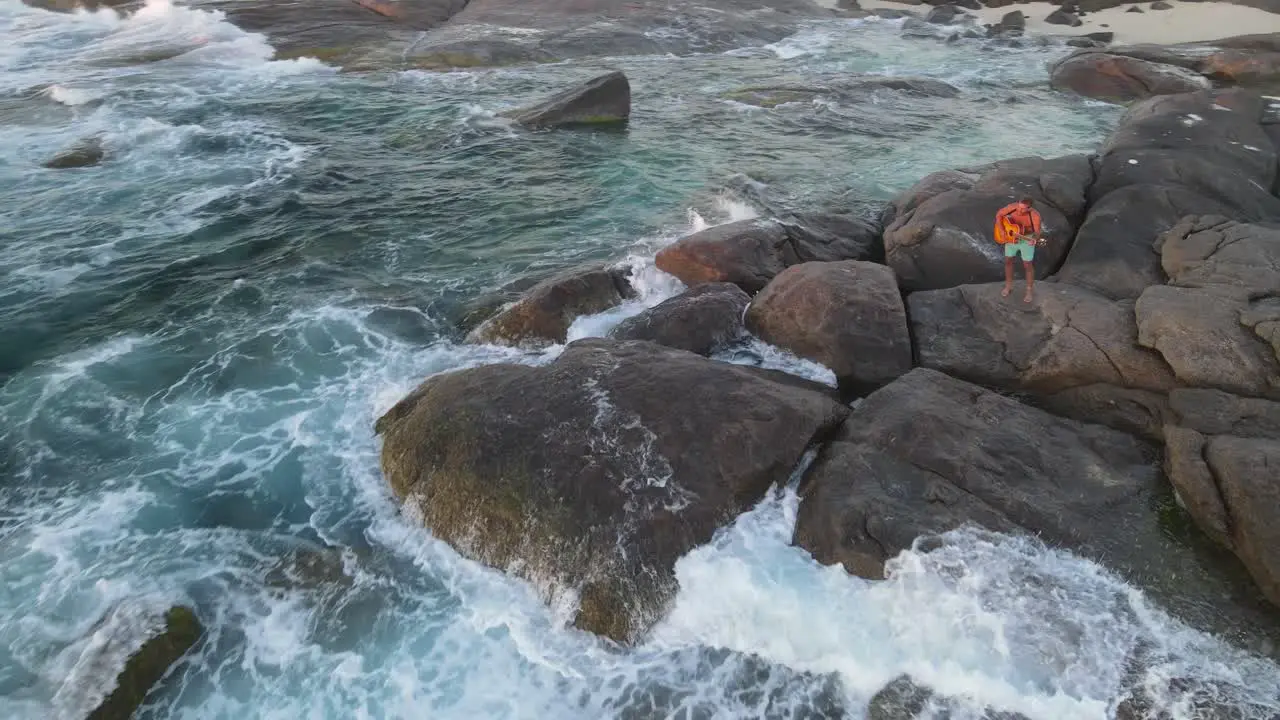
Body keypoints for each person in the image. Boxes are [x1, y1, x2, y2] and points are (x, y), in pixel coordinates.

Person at [994, 197, 1045, 303]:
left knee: (1027, 265)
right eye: (1019, 207)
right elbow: (999, 214)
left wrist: (1034, 239)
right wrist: (1002, 230)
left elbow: (1037, 232)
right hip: (1011, 238)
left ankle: (1029, 291)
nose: (1020, 210)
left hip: (1026, 239)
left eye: (1023, 209)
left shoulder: (1035, 215)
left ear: (1029, 208)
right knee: (1008, 261)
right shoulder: (1013, 207)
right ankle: (1008, 286)